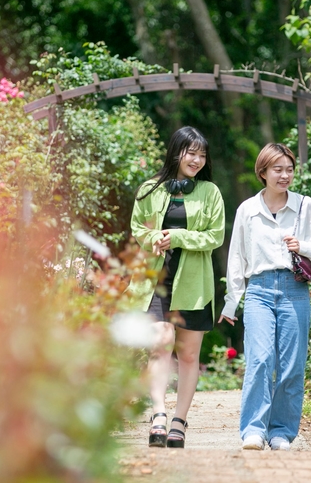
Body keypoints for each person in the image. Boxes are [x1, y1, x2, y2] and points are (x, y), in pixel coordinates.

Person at [218, 142, 311, 451]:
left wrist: (303, 246)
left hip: (295, 290)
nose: (284, 176)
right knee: (260, 359)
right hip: (259, 290)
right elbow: (237, 258)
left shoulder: (305, 206)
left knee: (292, 366)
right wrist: (232, 302)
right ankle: (253, 430)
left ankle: (282, 432)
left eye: (289, 170)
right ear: (263, 172)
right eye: (277, 170)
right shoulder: (248, 210)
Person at [128, 126, 225, 449]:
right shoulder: (150, 189)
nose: (197, 160)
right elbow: (138, 227)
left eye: (202, 154)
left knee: (188, 353)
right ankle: (158, 414)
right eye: (191, 152)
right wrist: (154, 238)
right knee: (161, 340)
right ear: (176, 152)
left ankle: (179, 421)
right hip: (157, 280)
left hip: (194, 282)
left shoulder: (210, 192)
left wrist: (179, 237)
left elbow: (215, 236)